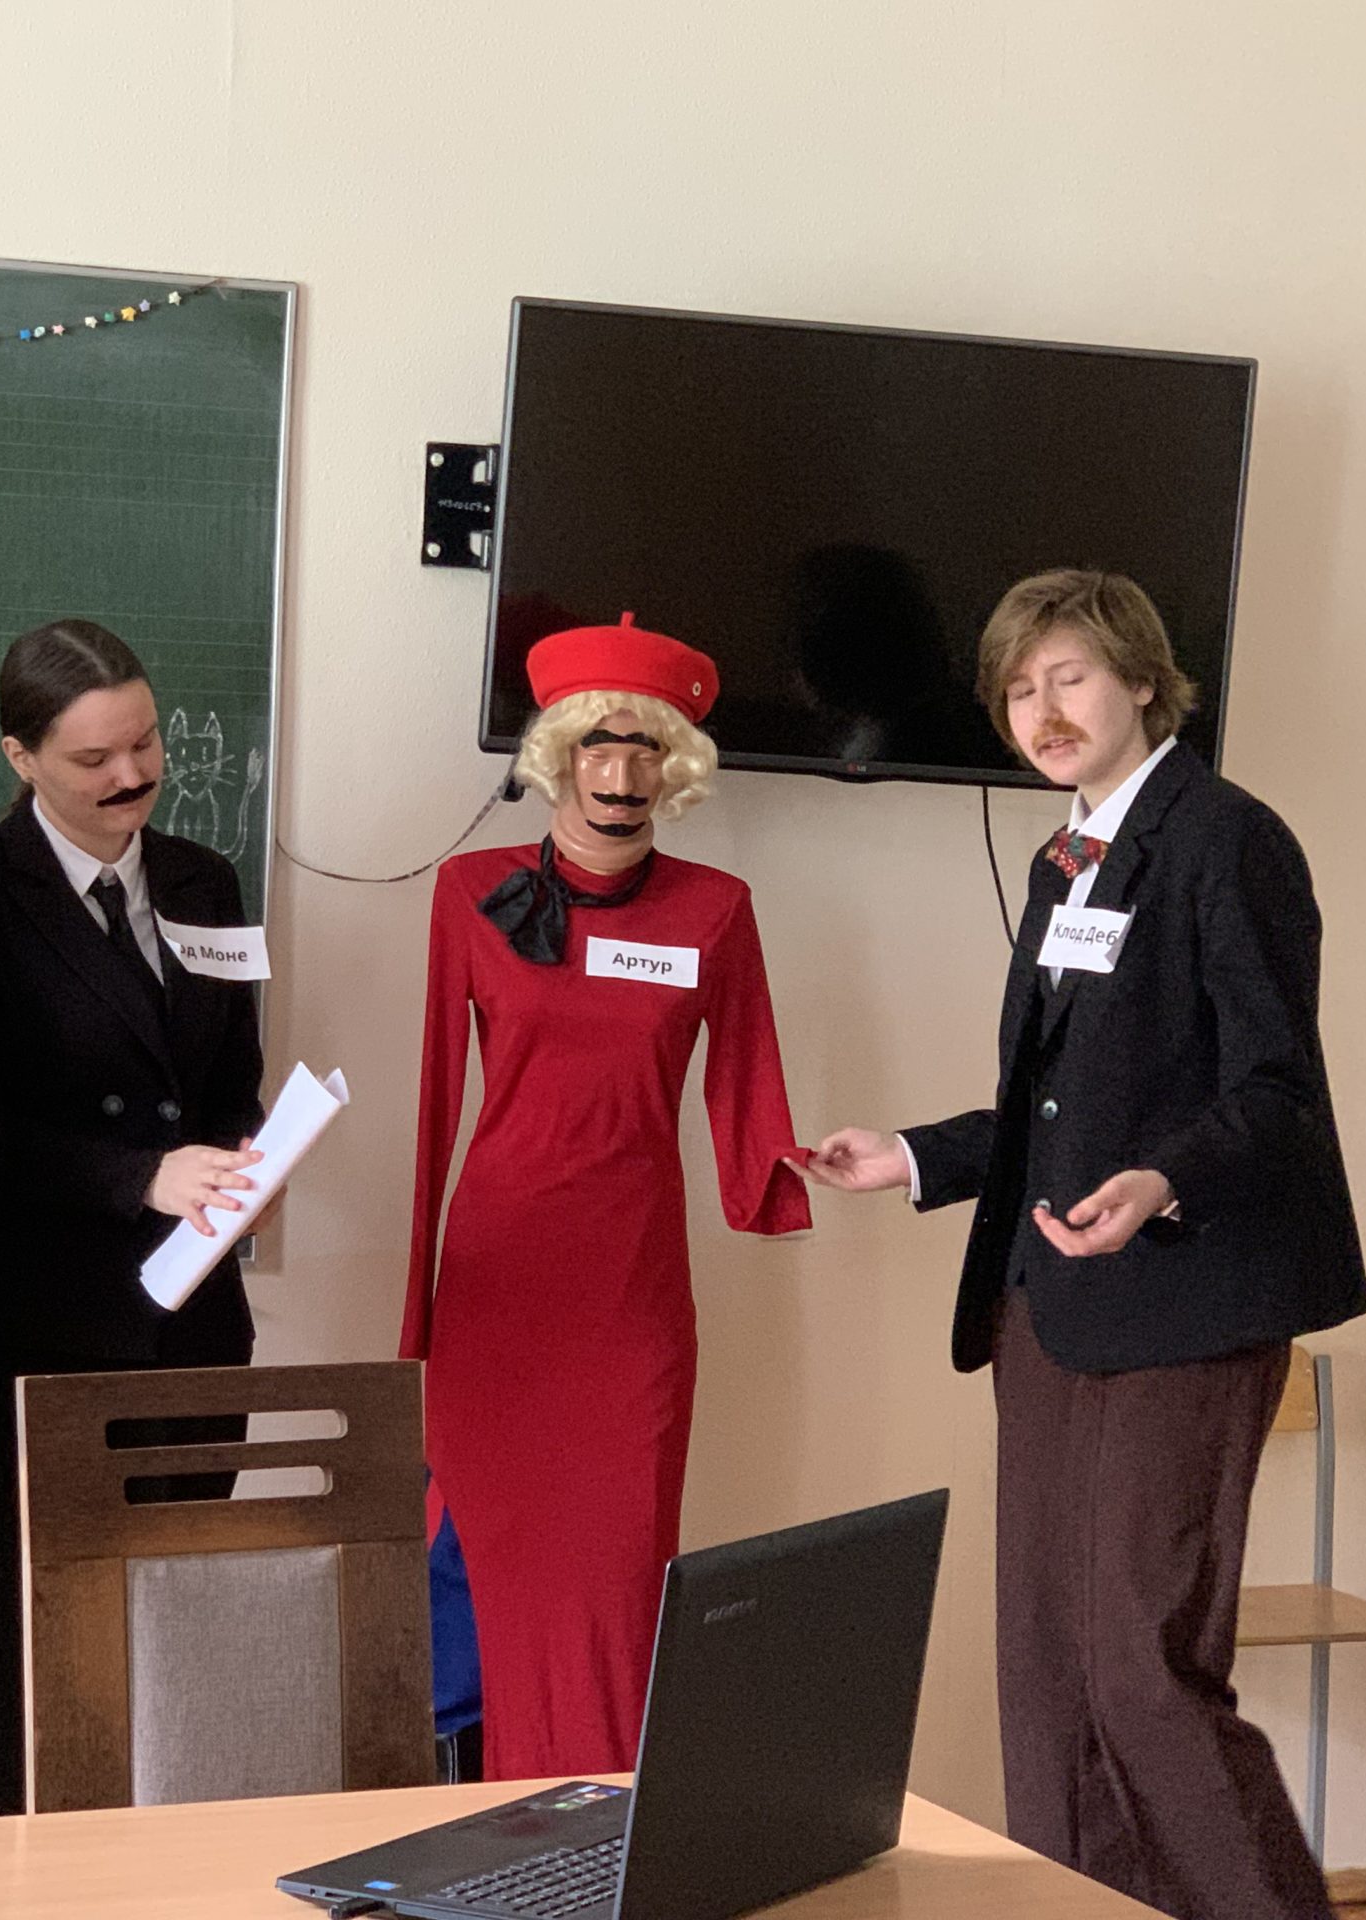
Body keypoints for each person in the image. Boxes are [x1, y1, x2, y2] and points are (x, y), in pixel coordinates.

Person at [807, 569, 1366, 1920]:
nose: (1041, 711)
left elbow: (1277, 1088)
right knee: (1050, 1678)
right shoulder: (1070, 861)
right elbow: (1056, 1107)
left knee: (1141, 1672)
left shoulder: (1225, 839)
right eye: (1017, 690)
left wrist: (1162, 1180)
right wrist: (915, 1157)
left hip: (1185, 1308)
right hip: (1048, 1308)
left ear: (1141, 682)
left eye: (1067, 678)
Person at [405, 612, 812, 1782]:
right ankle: (479, 1827)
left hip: (630, 1295)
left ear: (673, 768)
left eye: (646, 748)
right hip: (497, 1291)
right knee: (479, 1569)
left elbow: (746, 1080)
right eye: (599, 744)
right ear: (558, 756)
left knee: (621, 1581)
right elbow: (434, 1099)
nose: (621, 774)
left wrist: (783, 1170)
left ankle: (603, 1829)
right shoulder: (469, 892)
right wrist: (416, 1310)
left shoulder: (714, 911)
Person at [0, 618, 268, 1820]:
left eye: (146, 742)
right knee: (0, 1677)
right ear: (20, 757)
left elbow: (228, 1086)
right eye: (93, 757)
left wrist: (253, 1161)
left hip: (188, 1333)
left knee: (164, 1681)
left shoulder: (205, 879)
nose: (131, 775)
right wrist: (140, 1178)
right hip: (25, 1339)